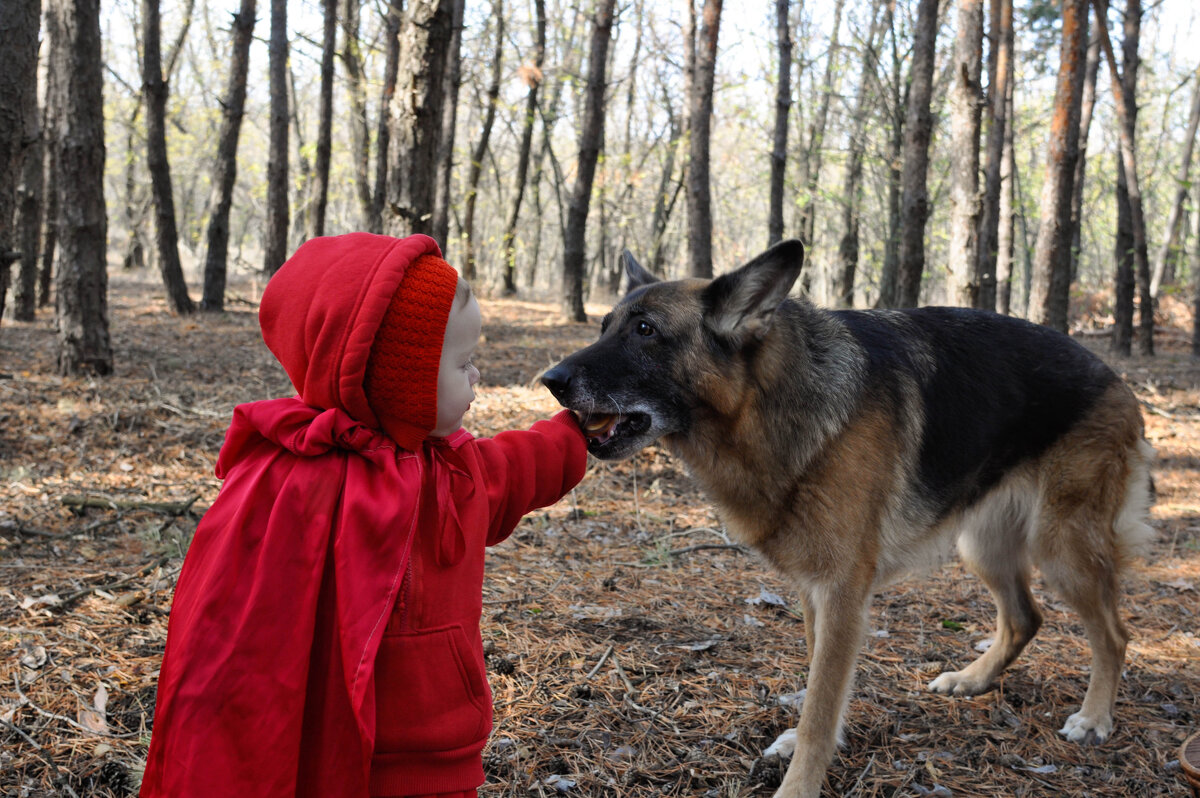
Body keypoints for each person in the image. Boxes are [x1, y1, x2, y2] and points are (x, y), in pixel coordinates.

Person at [140, 233, 589, 798]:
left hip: (437, 749)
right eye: (464, 364)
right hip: (333, 749)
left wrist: (573, 435)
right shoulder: (288, 480)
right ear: (401, 379)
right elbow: (233, 640)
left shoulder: (450, 470)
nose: (477, 378)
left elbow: (515, 470)